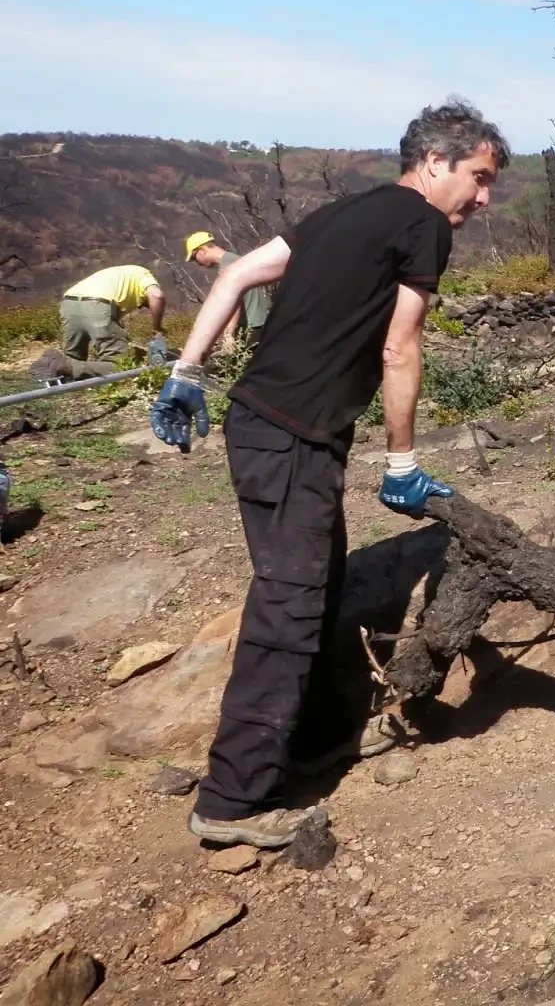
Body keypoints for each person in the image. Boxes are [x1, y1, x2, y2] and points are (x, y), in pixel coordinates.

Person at [148, 99, 510, 848]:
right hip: (292, 435)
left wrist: (187, 369)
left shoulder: (348, 212)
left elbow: (241, 272)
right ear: (435, 162)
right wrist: (403, 463)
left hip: (268, 426)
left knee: (315, 584)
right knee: (290, 603)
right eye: (477, 177)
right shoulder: (422, 225)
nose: (483, 198)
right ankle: (231, 801)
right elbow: (399, 348)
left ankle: (307, 745)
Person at [30, 264, 168, 381]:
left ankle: (55, 365)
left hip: (69, 302)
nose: (142, 306)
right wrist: (157, 328)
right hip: (97, 304)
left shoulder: (121, 274)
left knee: (73, 358)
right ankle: (65, 365)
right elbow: (157, 296)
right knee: (120, 366)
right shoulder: (144, 274)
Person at [186, 232, 273, 349]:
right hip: (264, 321)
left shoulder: (228, 266)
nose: (196, 262)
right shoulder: (234, 259)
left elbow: (234, 300)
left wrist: (228, 335)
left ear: (202, 250)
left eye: (194, 257)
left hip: (253, 327)